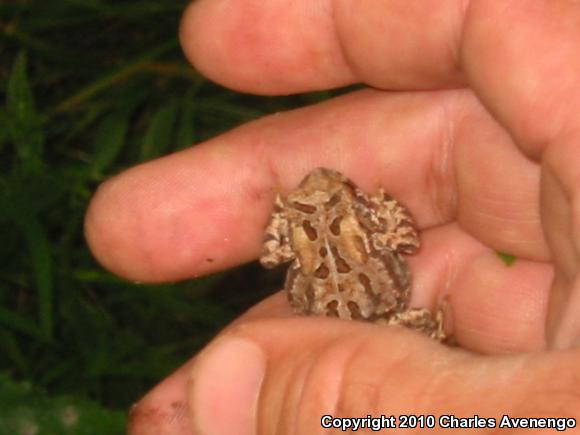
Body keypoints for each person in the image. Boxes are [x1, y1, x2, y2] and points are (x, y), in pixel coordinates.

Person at [85, 1, 580, 433]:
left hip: (338, 306)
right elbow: (404, 242)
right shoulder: (373, 235)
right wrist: (384, 210)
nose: (320, 184)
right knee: (416, 325)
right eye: (304, 204)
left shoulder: (305, 241)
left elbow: (274, 253)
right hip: (379, 310)